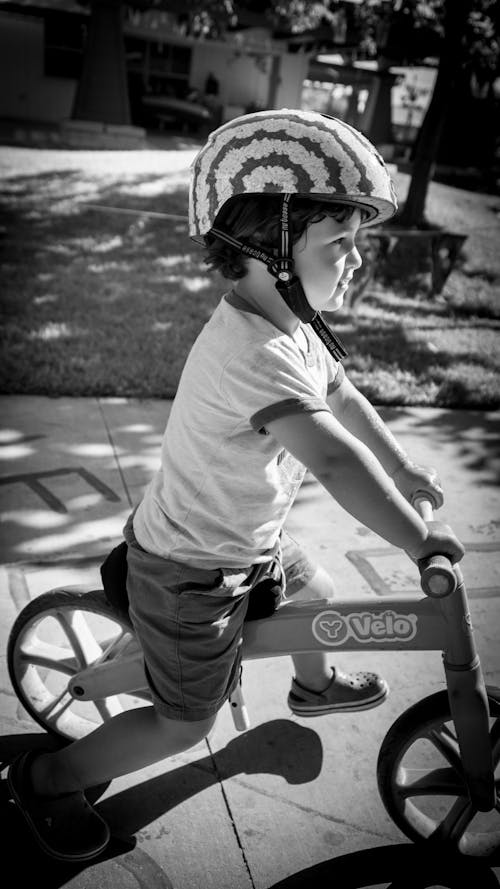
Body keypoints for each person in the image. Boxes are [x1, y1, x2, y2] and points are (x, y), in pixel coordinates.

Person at [7, 109, 465, 861]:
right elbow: (335, 461)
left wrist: (407, 468)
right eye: (338, 242)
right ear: (265, 251)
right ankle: (48, 776)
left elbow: (344, 398)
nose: (356, 259)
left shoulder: (297, 323)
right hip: (188, 572)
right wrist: (419, 542)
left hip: (244, 542)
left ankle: (312, 688)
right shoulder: (252, 352)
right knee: (187, 718)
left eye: (358, 241)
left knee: (314, 593)